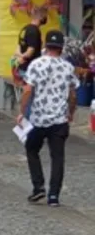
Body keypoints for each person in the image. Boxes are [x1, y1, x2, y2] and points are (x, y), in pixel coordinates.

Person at [19, 30, 77, 207]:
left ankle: (38, 187)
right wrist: (71, 113)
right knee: (57, 157)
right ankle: (54, 196)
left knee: (31, 149)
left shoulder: (36, 64)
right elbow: (72, 95)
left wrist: (21, 111)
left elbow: (28, 90)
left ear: (46, 45)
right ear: (61, 48)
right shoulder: (68, 67)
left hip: (39, 118)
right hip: (59, 120)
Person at [15, 6, 46, 83]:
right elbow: (30, 51)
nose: (46, 18)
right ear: (40, 17)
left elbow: (18, 48)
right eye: (45, 15)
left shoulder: (24, 29)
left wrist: (19, 59)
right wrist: (22, 58)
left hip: (22, 69)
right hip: (30, 71)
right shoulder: (34, 31)